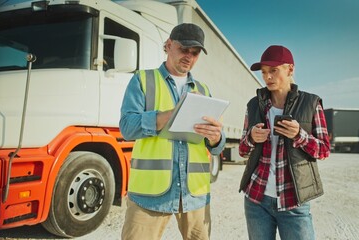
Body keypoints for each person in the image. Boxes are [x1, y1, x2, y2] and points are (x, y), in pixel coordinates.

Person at [119, 23, 226, 240]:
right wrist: (171, 114)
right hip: (150, 195)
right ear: (168, 45)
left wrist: (216, 139)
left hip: (194, 195)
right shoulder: (142, 80)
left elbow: (216, 147)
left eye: (195, 53)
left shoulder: (203, 91)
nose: (189, 56)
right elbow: (128, 128)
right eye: (184, 49)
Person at [238, 45, 330, 240]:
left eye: (273, 70)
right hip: (257, 199)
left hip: (293, 202)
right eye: (264, 72)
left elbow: (324, 150)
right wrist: (252, 138)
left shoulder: (311, 103)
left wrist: (299, 135)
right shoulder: (254, 105)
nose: (267, 77)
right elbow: (242, 150)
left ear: (290, 69)